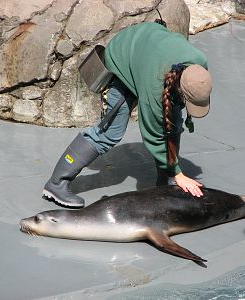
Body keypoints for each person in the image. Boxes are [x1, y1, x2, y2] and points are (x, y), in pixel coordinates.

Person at [42, 22, 212, 208]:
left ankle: (165, 181)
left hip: (147, 51)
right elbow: (153, 136)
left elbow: (172, 119)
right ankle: (56, 184)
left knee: (174, 122)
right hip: (122, 59)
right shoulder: (155, 88)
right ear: (179, 87)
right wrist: (178, 173)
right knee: (109, 133)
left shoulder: (199, 65)